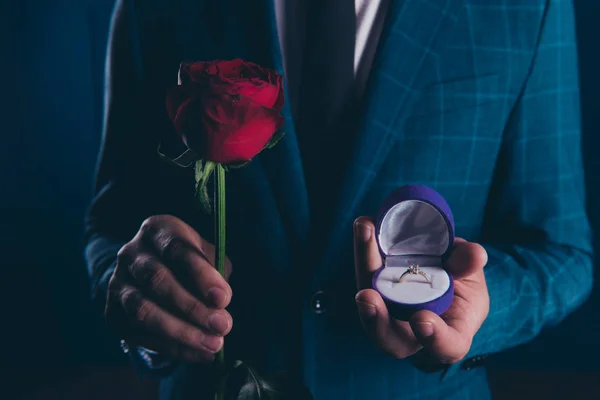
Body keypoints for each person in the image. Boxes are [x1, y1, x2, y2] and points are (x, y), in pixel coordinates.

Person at [84, 0, 593, 399]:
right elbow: (113, 223)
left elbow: (562, 251)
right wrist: (137, 299)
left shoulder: (526, 5)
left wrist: (479, 308)